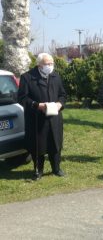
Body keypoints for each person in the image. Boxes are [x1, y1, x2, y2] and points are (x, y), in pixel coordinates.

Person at [18, 53, 67, 181]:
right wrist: (36, 105)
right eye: (46, 64)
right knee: (38, 145)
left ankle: (56, 168)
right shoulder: (27, 77)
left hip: (54, 117)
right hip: (36, 118)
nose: (49, 66)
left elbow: (63, 94)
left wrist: (59, 103)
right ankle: (38, 170)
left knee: (55, 143)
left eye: (51, 63)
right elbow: (22, 98)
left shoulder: (56, 76)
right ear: (39, 64)